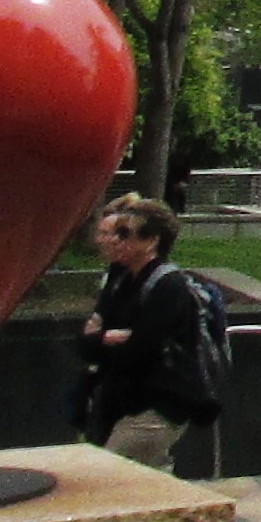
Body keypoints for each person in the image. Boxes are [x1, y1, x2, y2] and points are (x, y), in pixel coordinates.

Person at [77, 195, 197, 472]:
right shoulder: (121, 278)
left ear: (151, 241)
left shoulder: (169, 286)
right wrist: (105, 339)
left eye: (124, 233)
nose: (114, 240)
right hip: (122, 403)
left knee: (110, 473)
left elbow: (139, 351)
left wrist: (101, 340)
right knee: (144, 477)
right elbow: (85, 342)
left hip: (158, 407)